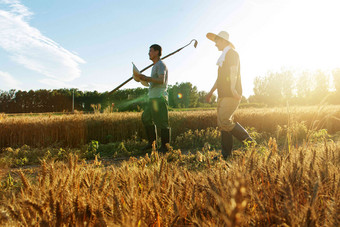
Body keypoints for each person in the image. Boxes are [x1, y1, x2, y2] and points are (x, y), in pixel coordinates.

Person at [205, 31, 254, 159]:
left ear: (223, 41)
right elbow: (219, 79)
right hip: (223, 94)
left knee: (226, 121)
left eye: (217, 41)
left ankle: (251, 144)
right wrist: (210, 92)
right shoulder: (223, 57)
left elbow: (234, 71)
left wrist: (233, 89)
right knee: (223, 124)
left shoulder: (232, 54)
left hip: (231, 93)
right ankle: (226, 155)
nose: (215, 44)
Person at [135, 44, 170, 153]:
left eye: (151, 51)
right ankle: (152, 143)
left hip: (159, 98)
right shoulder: (155, 66)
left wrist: (147, 78)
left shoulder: (161, 65)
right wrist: (143, 79)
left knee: (162, 123)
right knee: (146, 118)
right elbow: (154, 81)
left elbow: (161, 80)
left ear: (157, 52)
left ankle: (165, 147)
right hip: (152, 98)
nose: (149, 53)